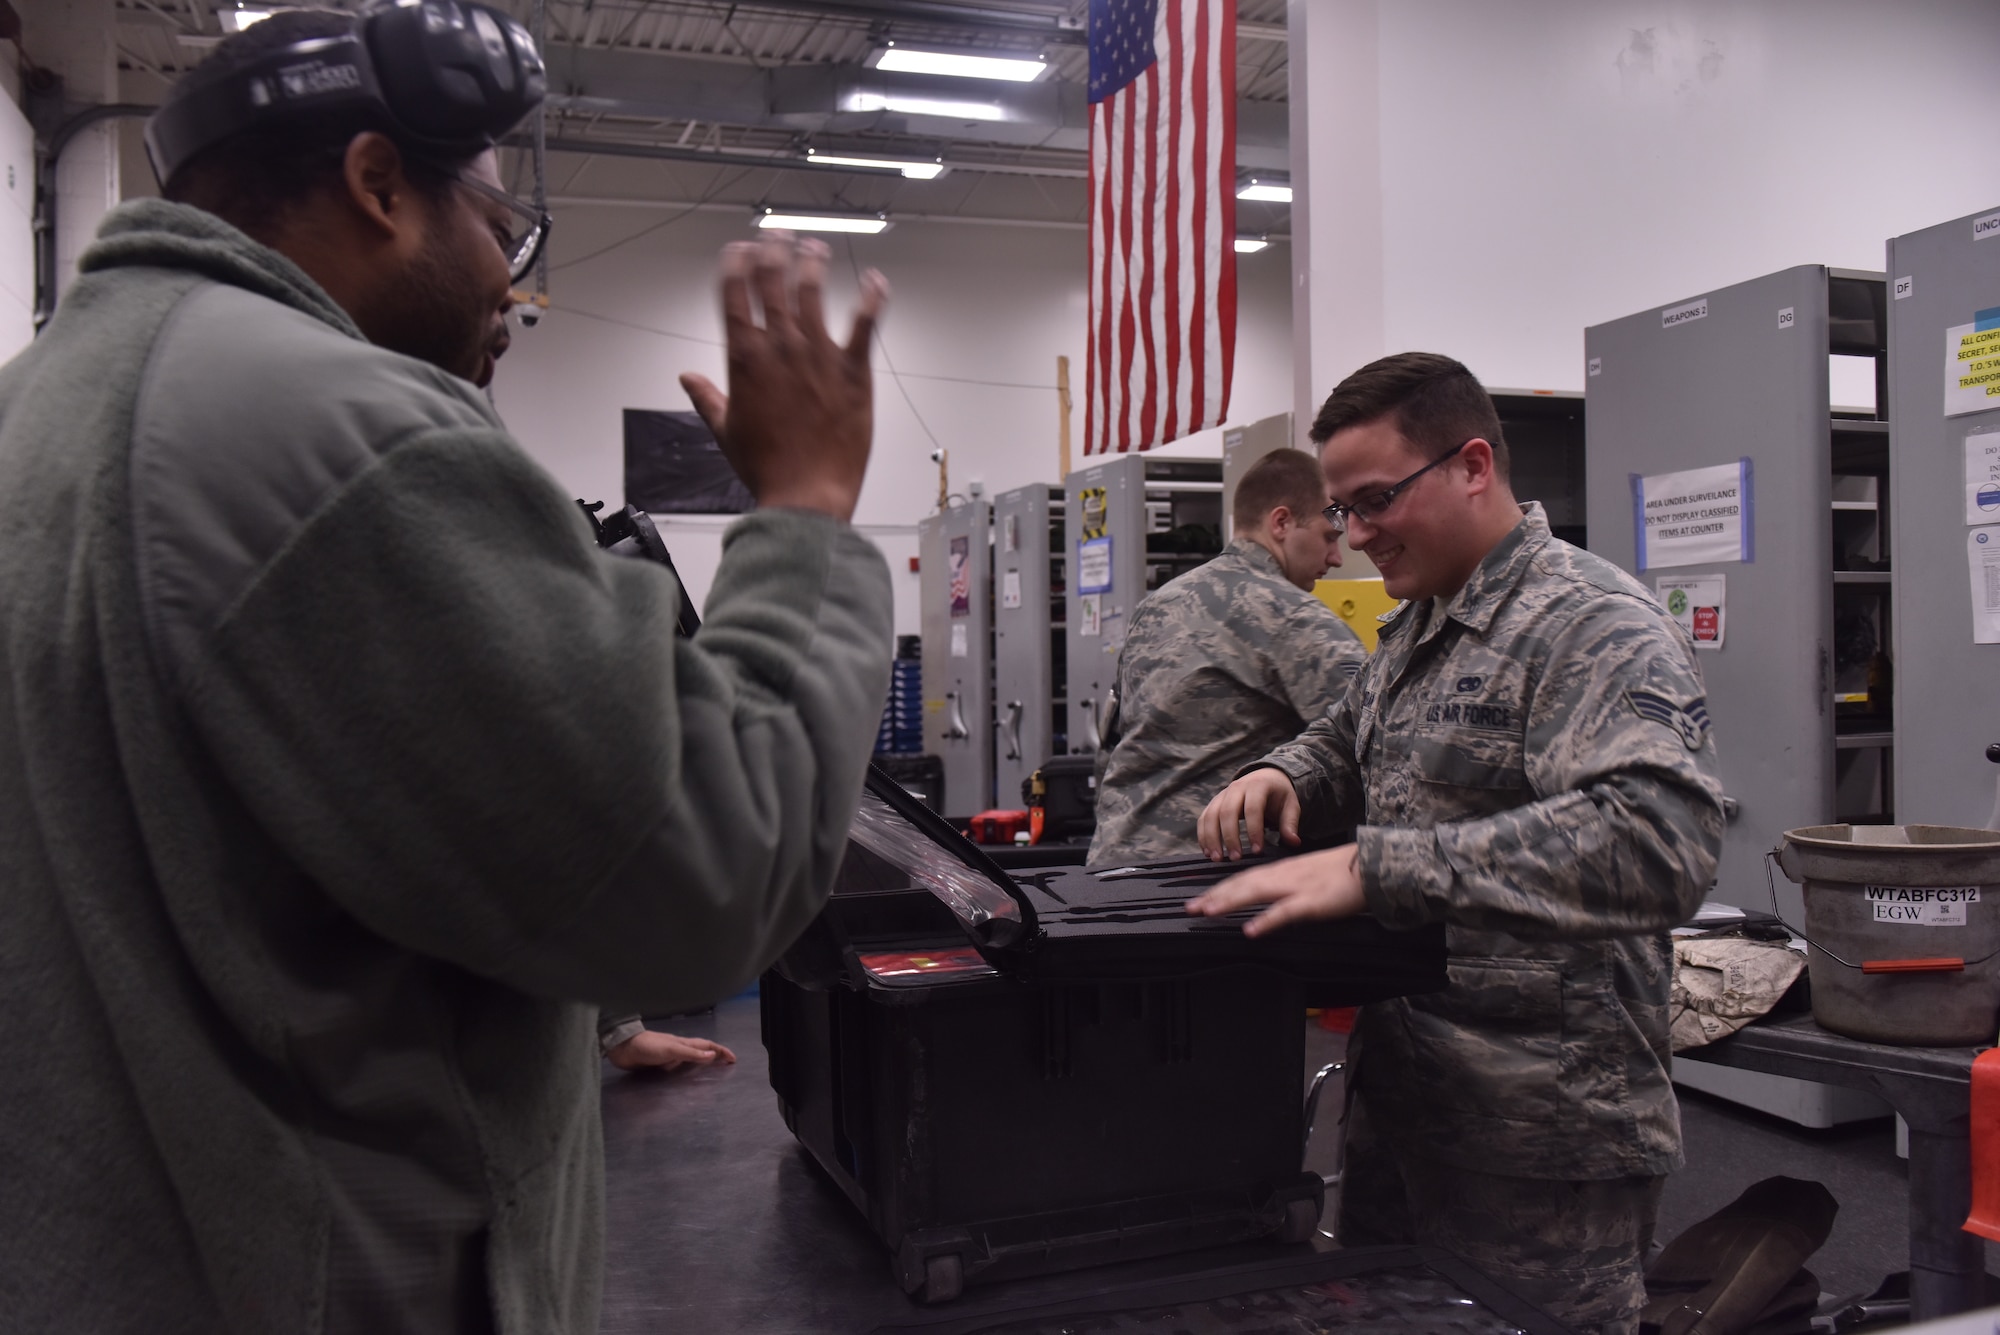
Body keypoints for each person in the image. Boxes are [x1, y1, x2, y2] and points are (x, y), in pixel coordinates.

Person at [0, 7, 891, 1333]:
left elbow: (290, 856)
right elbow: (709, 863)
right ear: (377, 187)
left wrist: (587, 1019)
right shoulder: (341, 437)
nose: (511, 291)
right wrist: (809, 514)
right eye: (498, 231)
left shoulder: (45, 409)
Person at [1190, 353, 1725, 1335]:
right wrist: (1283, 775)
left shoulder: (1589, 625)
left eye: (1374, 501)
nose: (1352, 538)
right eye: (1340, 510)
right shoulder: (1422, 623)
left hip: (1541, 1143)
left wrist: (1377, 867)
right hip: (1410, 1103)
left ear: (1472, 464)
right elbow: (1349, 737)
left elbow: (1660, 840)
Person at [1086, 449, 1365, 868]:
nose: (1336, 557)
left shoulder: (1158, 605)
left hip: (1112, 863)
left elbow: (1116, 743)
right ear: (1282, 523)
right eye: (1330, 536)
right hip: (1203, 876)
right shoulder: (1293, 615)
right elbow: (1371, 747)